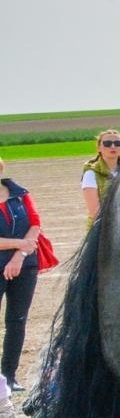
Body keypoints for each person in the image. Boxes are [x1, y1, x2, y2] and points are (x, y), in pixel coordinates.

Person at [0, 158, 43, 394]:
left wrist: (19, 256)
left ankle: (8, 376)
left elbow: (35, 224)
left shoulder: (20, 192)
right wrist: (19, 243)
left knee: (17, 322)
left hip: (25, 265)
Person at [80, 129, 120, 223]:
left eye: (118, 143)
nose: (113, 146)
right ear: (99, 148)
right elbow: (95, 212)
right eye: (107, 143)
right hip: (103, 226)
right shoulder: (91, 173)